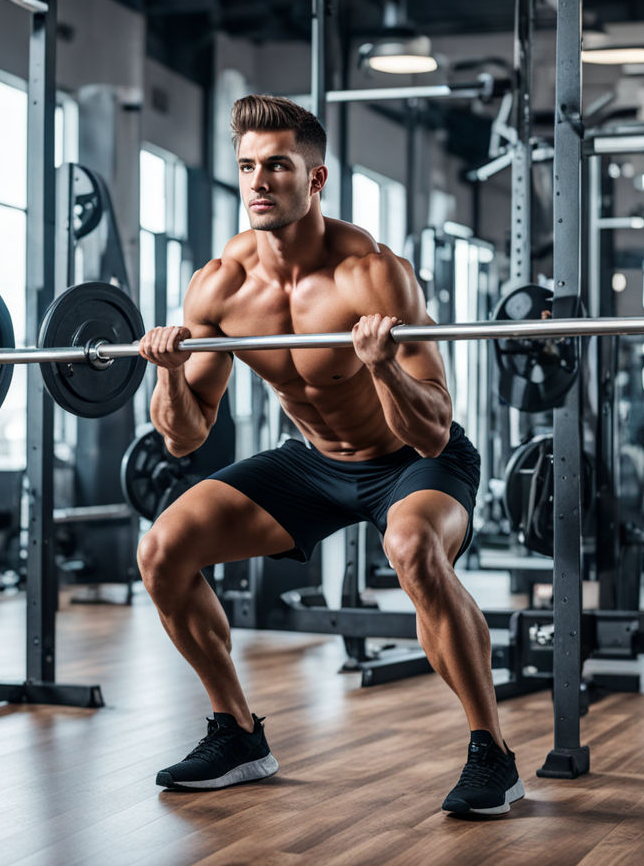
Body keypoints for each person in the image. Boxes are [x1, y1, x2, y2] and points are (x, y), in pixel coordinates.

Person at [135, 94, 523, 816]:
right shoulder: (218, 285)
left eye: (277, 166)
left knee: (410, 545)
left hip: (410, 459)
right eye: (247, 166)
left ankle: (491, 753)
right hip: (314, 461)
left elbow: (436, 429)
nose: (257, 182)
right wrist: (164, 367)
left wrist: (381, 369)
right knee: (162, 549)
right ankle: (238, 733)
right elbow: (183, 438)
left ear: (314, 180)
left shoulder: (374, 274)